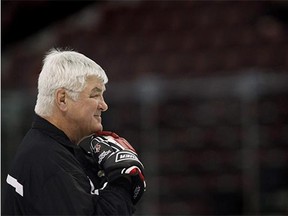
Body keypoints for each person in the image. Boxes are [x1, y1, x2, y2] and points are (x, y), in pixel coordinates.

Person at [2, 48, 146, 215]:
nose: (103, 105)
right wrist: (122, 184)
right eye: (95, 95)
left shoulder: (48, 148)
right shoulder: (49, 161)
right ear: (62, 99)